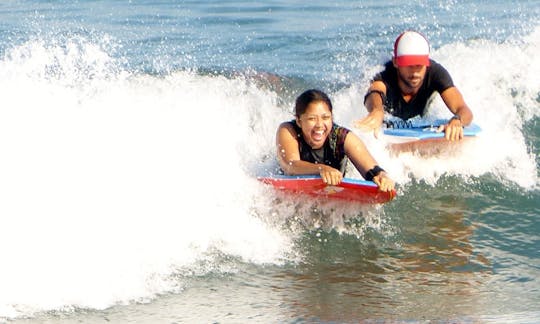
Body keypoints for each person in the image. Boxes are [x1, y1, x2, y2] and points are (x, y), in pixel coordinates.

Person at [355, 30, 473, 141]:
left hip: (419, 121)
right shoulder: (385, 73)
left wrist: (458, 120)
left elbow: (463, 109)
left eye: (419, 65)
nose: (415, 72)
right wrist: (376, 111)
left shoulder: (436, 73)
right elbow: (374, 92)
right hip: (389, 123)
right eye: (409, 65)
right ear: (396, 62)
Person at [276, 89, 394, 192]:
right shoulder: (288, 130)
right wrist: (322, 169)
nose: (319, 125)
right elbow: (290, 165)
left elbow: (372, 170)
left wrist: (382, 176)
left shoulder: (342, 137)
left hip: (332, 191)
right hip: (293, 188)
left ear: (332, 117)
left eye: (325, 118)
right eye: (312, 119)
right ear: (299, 121)